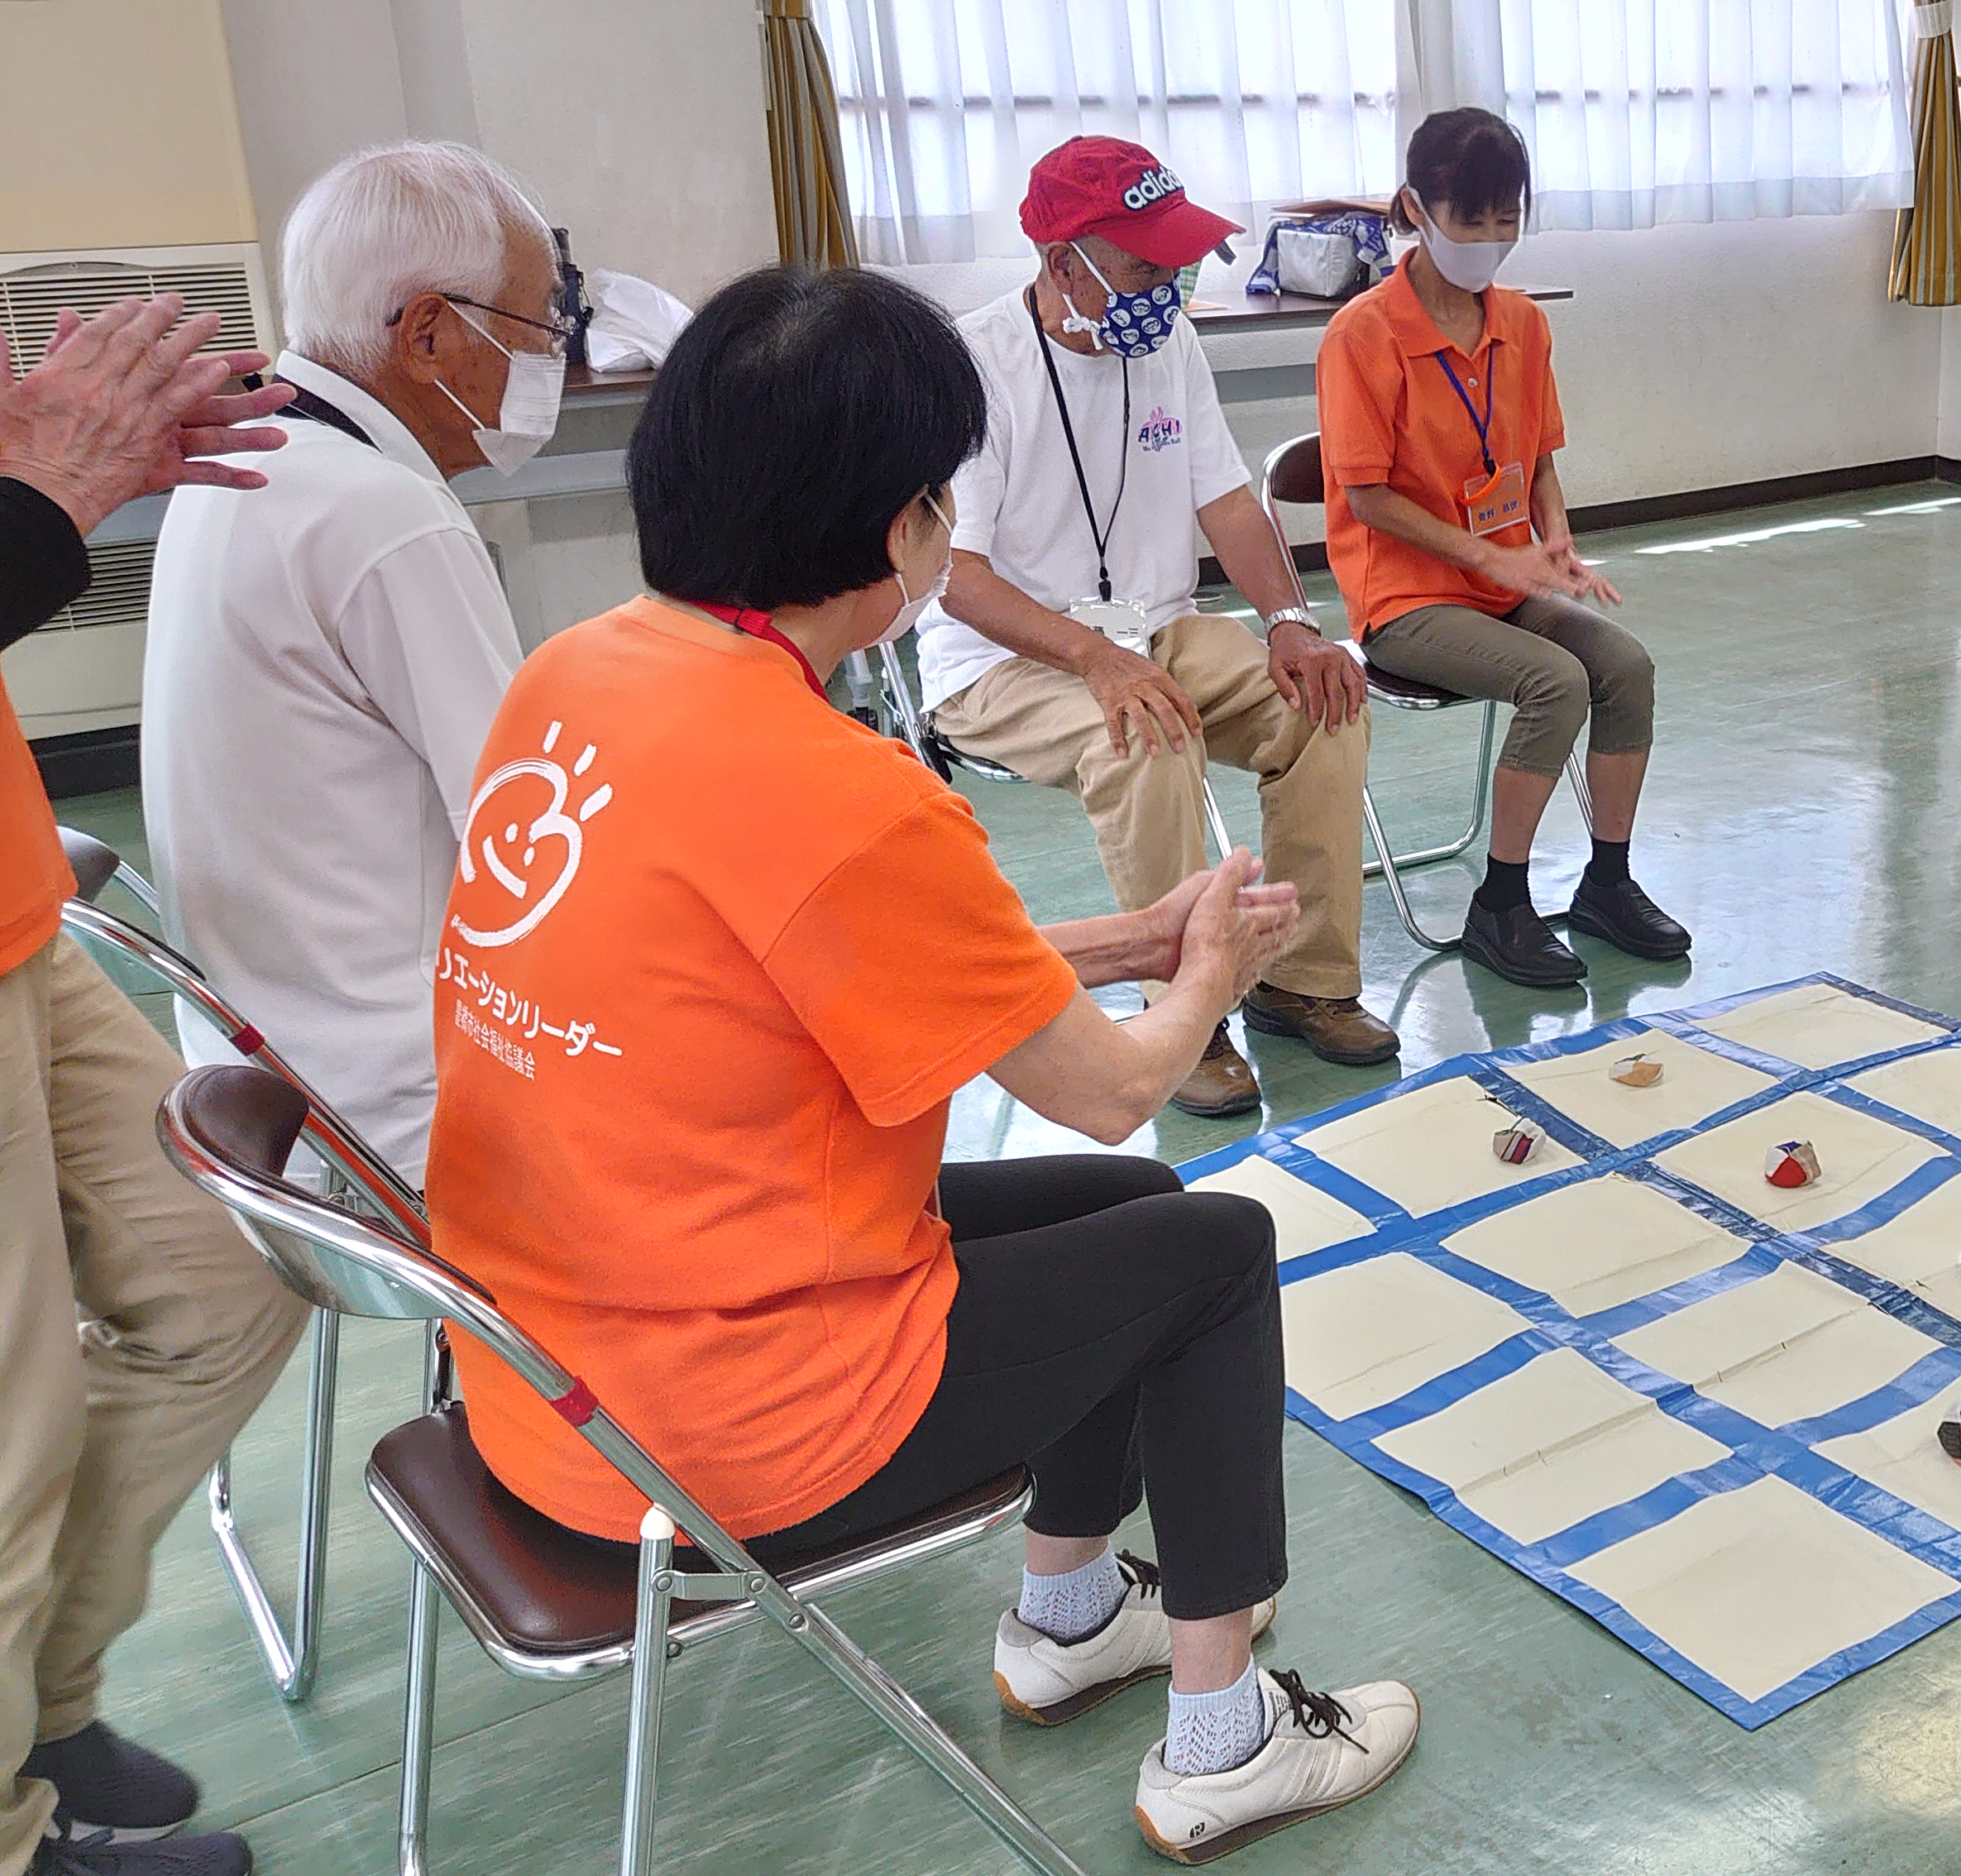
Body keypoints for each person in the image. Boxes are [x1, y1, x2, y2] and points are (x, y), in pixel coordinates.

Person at [426, 267, 1415, 1862]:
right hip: (718, 1418)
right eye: (943, 497)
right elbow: (1107, 1078)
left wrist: (1137, 932)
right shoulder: (837, 785)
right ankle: (1224, 1739)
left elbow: (828, 958)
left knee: (1127, 1208)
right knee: (1215, 1246)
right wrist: (1211, 970)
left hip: (550, 1363)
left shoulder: (577, 675)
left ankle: (1071, 1610)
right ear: (902, 533)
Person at [0, 294, 302, 1876]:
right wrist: (42, 505)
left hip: (17, 918)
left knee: (224, 1280)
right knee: (6, 1429)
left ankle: (38, 1714)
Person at [919, 136, 1392, 1120]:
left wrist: (1293, 624)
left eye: (1177, 266)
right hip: (1001, 661)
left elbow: (1224, 499)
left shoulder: (1164, 342)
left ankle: (1304, 979)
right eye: (1144, 266)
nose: (1168, 287)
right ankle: (1189, 1010)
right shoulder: (972, 366)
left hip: (1154, 633)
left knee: (1325, 700)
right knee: (1148, 733)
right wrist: (1097, 662)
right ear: (1063, 264)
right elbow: (954, 579)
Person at [142, 141, 551, 1180]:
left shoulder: (242, 462)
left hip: (268, 1072)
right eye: (539, 325)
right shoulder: (386, 515)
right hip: (414, 1099)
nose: (549, 357)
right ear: (426, 332)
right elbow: (529, 851)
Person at [1315, 108, 1689, 990]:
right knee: (1553, 680)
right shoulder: (1362, 336)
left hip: (1503, 583)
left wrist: (1552, 538)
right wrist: (1493, 560)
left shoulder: (1521, 323)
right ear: (1415, 206)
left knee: (1625, 668)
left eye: (1506, 218)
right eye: (1469, 218)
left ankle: (1606, 881)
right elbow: (1366, 497)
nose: (1490, 239)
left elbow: (1539, 458)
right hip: (1406, 602)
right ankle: (1502, 904)